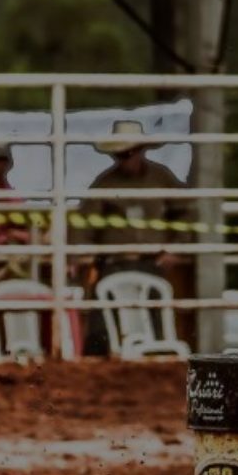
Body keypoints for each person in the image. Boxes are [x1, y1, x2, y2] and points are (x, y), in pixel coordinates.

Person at [72, 119, 194, 353]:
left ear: (141, 151)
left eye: (129, 153)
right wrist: (82, 252)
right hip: (113, 263)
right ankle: (95, 368)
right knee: (100, 326)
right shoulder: (105, 184)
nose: (125, 159)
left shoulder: (161, 178)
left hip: (151, 262)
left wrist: (176, 248)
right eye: (120, 154)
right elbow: (84, 223)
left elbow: (185, 212)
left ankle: (157, 363)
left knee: (156, 321)